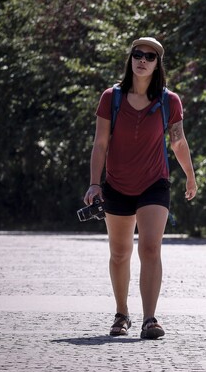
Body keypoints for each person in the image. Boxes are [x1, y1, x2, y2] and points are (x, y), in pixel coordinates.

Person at [83, 37, 197, 339]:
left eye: (149, 56)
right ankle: (122, 313)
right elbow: (100, 143)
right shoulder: (112, 97)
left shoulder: (169, 101)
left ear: (158, 63)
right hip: (117, 185)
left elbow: (178, 140)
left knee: (150, 247)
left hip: (154, 184)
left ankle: (150, 319)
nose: (142, 60)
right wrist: (95, 184)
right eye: (137, 55)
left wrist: (190, 175)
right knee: (119, 252)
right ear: (130, 60)